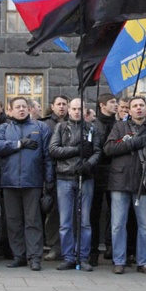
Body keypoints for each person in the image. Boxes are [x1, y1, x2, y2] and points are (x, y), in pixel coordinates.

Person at [0, 96, 54, 272]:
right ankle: (19, 255)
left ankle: (34, 257)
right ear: (9, 111)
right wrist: (19, 144)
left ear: (29, 109)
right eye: (17, 107)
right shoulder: (3, 128)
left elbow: (48, 157)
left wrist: (48, 181)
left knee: (32, 221)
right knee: (13, 221)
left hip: (32, 182)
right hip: (9, 182)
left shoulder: (41, 128)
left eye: (24, 106)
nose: (21, 109)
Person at [103, 96, 146, 276]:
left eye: (142, 105)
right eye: (135, 106)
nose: (139, 108)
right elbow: (109, 149)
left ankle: (144, 261)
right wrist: (133, 143)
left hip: (144, 182)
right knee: (118, 224)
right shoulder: (119, 127)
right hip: (120, 181)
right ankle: (119, 260)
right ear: (129, 110)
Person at [49, 98, 102, 271]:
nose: (77, 112)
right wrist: (75, 150)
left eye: (80, 109)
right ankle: (68, 256)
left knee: (84, 221)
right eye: (74, 109)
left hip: (85, 178)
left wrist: (89, 164)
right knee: (65, 221)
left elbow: (97, 151)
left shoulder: (91, 128)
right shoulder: (61, 127)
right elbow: (54, 149)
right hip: (65, 177)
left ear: (85, 111)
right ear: (69, 110)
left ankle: (83, 256)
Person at [41, 95, 68, 262]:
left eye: (64, 104)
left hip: (69, 172)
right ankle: (54, 246)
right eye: (59, 104)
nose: (62, 107)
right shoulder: (46, 125)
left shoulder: (75, 123)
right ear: (52, 106)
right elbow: (46, 153)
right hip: (52, 173)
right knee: (53, 214)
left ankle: (68, 248)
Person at [89, 93, 115, 266]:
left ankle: (112, 247)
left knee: (115, 214)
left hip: (114, 173)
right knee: (94, 214)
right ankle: (92, 251)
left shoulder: (118, 124)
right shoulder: (93, 126)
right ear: (102, 105)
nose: (115, 105)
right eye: (112, 102)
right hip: (97, 172)